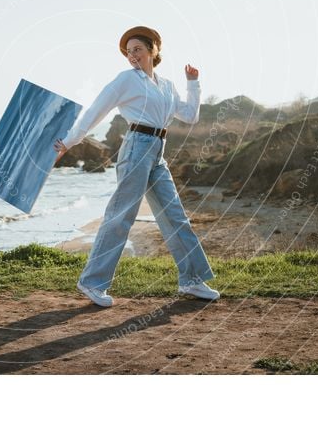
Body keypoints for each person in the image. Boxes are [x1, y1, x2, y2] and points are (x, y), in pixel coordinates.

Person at [54, 26, 220, 307]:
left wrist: (193, 84)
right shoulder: (125, 81)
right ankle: (92, 282)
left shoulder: (166, 85)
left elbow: (190, 116)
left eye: (138, 50)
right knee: (121, 217)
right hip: (135, 147)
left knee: (175, 215)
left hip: (158, 150)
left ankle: (191, 280)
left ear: (153, 49)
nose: (132, 56)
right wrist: (69, 142)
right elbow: (96, 111)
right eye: (128, 52)